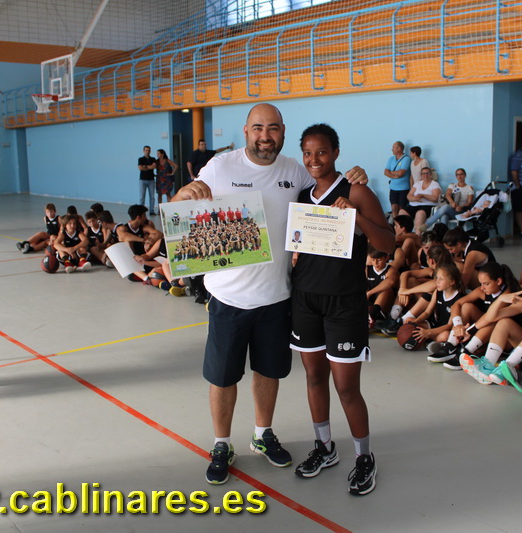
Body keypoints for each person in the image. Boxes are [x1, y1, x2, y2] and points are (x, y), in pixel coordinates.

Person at [170, 103, 368, 485]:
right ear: (246, 131)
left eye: (273, 128)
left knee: (268, 372)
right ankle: (221, 444)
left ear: (282, 132)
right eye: (258, 128)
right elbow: (180, 213)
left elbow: (329, 184)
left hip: (277, 297)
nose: (265, 136)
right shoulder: (220, 167)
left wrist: (355, 176)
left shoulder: (294, 170)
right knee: (223, 377)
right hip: (228, 299)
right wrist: (183, 194)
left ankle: (263, 434)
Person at [289, 123, 394, 496]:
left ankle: (364, 457)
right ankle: (325, 447)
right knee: (314, 378)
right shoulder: (301, 194)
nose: (314, 159)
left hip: (344, 302)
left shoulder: (356, 190)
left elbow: (388, 243)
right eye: (307, 153)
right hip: (305, 299)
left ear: (335, 152)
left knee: (347, 387)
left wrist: (356, 217)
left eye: (321, 151)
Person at [427, 262, 519, 369]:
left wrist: (469, 331)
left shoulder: (507, 295)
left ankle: (466, 352)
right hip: (483, 332)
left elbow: (489, 317)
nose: (482, 288)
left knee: (493, 321)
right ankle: (451, 346)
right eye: (481, 283)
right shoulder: (482, 291)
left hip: (506, 341)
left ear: (498, 281)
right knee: (467, 306)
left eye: (486, 284)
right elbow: (456, 304)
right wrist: (458, 325)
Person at [405, 166, 441, 231]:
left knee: (420, 213)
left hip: (427, 206)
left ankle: (417, 235)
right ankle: (404, 234)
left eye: (427, 173)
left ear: (430, 175)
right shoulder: (417, 184)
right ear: (421, 175)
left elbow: (435, 198)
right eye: (423, 174)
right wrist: (415, 198)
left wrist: (424, 196)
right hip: (414, 205)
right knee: (402, 212)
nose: (425, 175)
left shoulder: (435, 184)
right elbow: (409, 196)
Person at [384, 141, 411, 220]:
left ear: (399, 149)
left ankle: (402, 224)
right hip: (393, 188)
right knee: (394, 208)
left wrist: (391, 172)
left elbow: (401, 173)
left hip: (403, 189)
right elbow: (385, 172)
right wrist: (395, 175)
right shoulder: (391, 159)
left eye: (394, 147)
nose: (392, 149)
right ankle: (395, 224)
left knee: (402, 209)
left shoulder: (406, 159)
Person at [138, 146, 157, 215]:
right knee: (142, 197)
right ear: (143, 151)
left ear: (150, 151)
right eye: (146, 150)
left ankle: (151, 211)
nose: (147, 151)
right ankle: (141, 212)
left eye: (148, 150)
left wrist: (145, 166)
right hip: (142, 180)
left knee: (152, 197)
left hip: (151, 180)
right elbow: (140, 168)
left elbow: (154, 166)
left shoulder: (153, 159)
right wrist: (149, 166)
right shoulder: (141, 159)